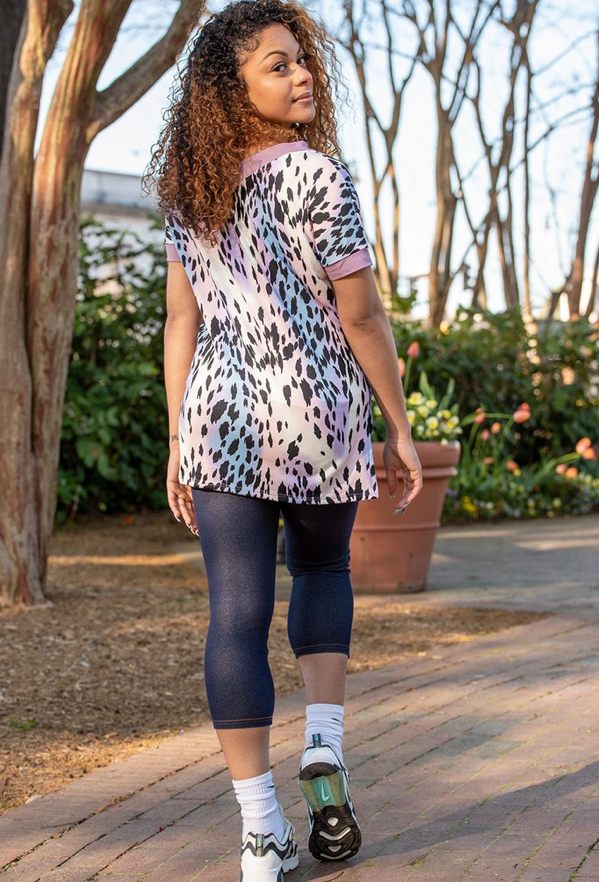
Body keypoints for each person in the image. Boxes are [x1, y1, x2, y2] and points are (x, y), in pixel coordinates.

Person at [144, 0, 422, 878]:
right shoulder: (321, 177)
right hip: (319, 415)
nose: (302, 76)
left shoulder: (190, 191)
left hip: (221, 417)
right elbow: (364, 316)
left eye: (302, 62)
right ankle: (325, 747)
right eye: (277, 65)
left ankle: (260, 832)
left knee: (234, 615)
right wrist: (402, 427)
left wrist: (178, 434)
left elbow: (179, 324)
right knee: (326, 571)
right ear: (233, 88)